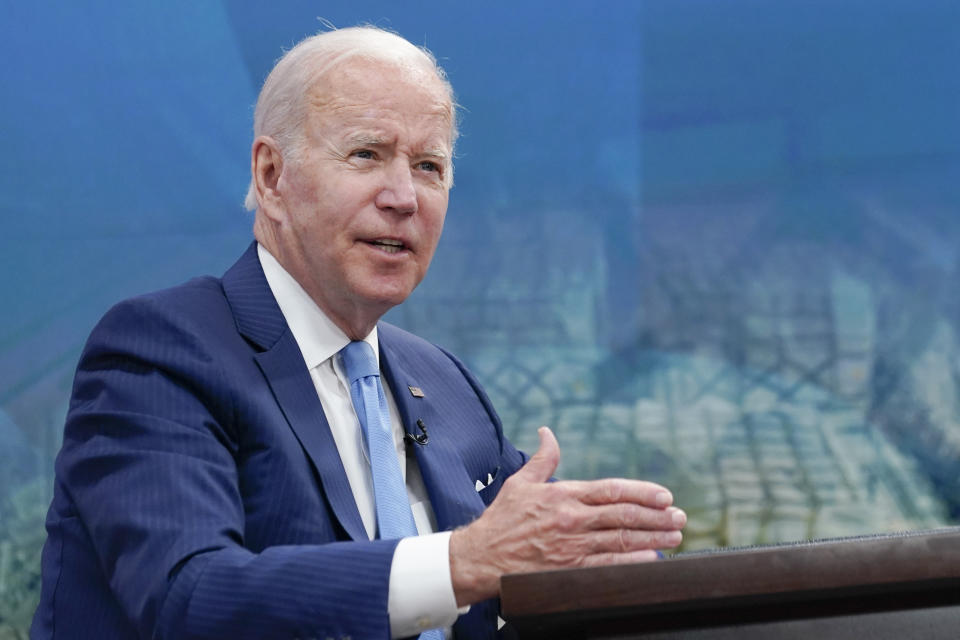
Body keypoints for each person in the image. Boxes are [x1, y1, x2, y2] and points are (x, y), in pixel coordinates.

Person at [32, 26, 686, 640]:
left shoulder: (445, 385)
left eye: (429, 167)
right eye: (367, 154)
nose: (404, 196)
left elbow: (542, 553)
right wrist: (459, 562)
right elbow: (187, 596)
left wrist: (614, 568)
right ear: (271, 177)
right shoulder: (162, 350)